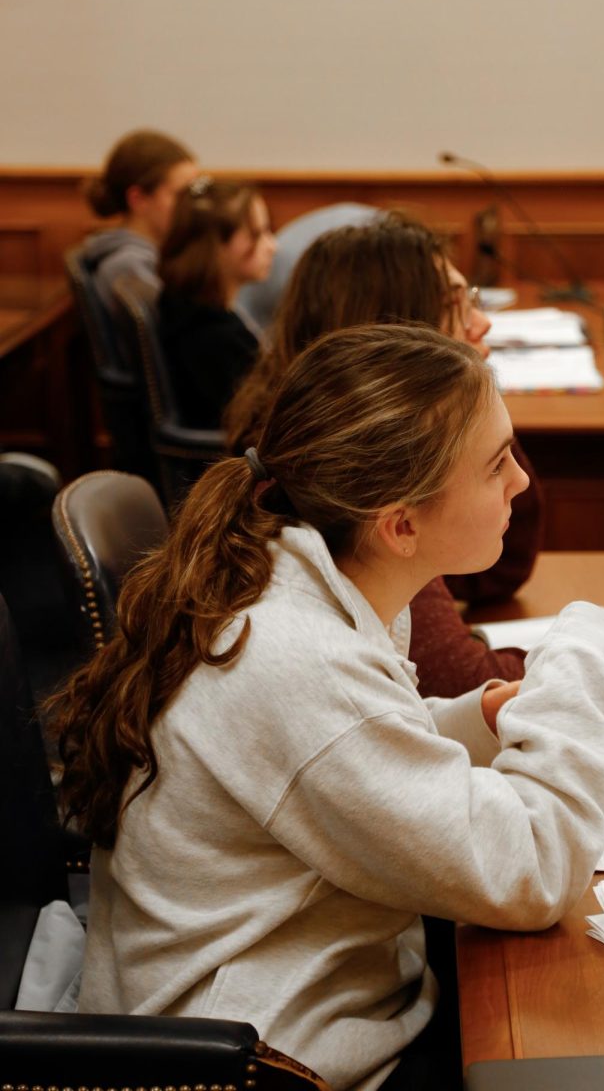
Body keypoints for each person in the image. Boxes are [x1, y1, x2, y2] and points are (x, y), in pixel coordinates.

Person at [49, 324, 604, 1091]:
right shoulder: (296, 655)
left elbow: (332, 761)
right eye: (497, 463)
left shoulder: (289, 583)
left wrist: (483, 719)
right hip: (262, 1065)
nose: (521, 484)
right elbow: (534, 874)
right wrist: (575, 661)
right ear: (400, 524)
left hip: (292, 1014)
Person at [224, 215, 545, 696]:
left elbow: (499, 573)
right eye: (454, 307)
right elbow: (460, 681)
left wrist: (469, 411)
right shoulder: (334, 477)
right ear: (397, 329)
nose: (482, 323)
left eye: (471, 298)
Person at [158, 177, 276, 429]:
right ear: (217, 247)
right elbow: (255, 424)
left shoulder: (188, 307)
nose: (272, 246)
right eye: (258, 234)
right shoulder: (211, 336)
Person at [82, 129, 198, 311]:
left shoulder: (155, 254)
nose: (193, 204)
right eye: (181, 195)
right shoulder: (128, 267)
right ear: (138, 199)